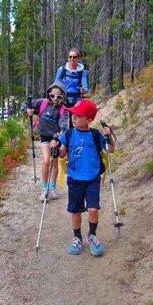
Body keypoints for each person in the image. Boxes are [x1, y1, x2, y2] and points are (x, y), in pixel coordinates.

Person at [51, 99, 114, 257]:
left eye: (78, 116)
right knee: (76, 210)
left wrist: (109, 136)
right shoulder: (69, 134)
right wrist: (55, 148)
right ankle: (77, 237)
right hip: (74, 178)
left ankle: (92, 235)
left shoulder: (95, 134)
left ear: (88, 120)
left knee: (93, 209)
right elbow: (62, 153)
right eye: (73, 115)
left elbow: (110, 150)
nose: (73, 118)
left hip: (92, 178)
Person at [26, 82, 69, 201]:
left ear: (62, 97)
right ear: (49, 94)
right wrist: (28, 110)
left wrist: (57, 138)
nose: (55, 98)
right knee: (46, 161)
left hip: (55, 139)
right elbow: (27, 104)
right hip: (44, 137)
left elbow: (64, 127)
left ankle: (52, 188)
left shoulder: (63, 110)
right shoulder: (42, 102)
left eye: (59, 96)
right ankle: (44, 189)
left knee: (54, 163)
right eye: (53, 95)